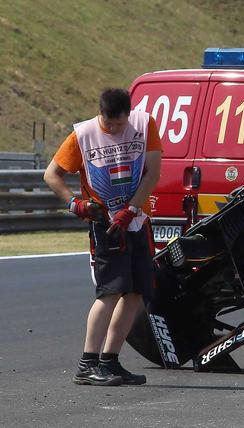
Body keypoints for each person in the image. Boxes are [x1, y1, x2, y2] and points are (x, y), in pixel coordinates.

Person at [43, 88, 162, 386]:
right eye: (108, 124)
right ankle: (88, 363)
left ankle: (110, 361)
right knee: (109, 291)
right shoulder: (83, 134)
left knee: (135, 293)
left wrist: (132, 208)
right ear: (101, 114)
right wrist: (75, 203)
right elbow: (52, 174)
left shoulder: (145, 125)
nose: (113, 130)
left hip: (137, 220)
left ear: (128, 114)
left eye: (119, 124)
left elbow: (153, 174)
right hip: (105, 224)